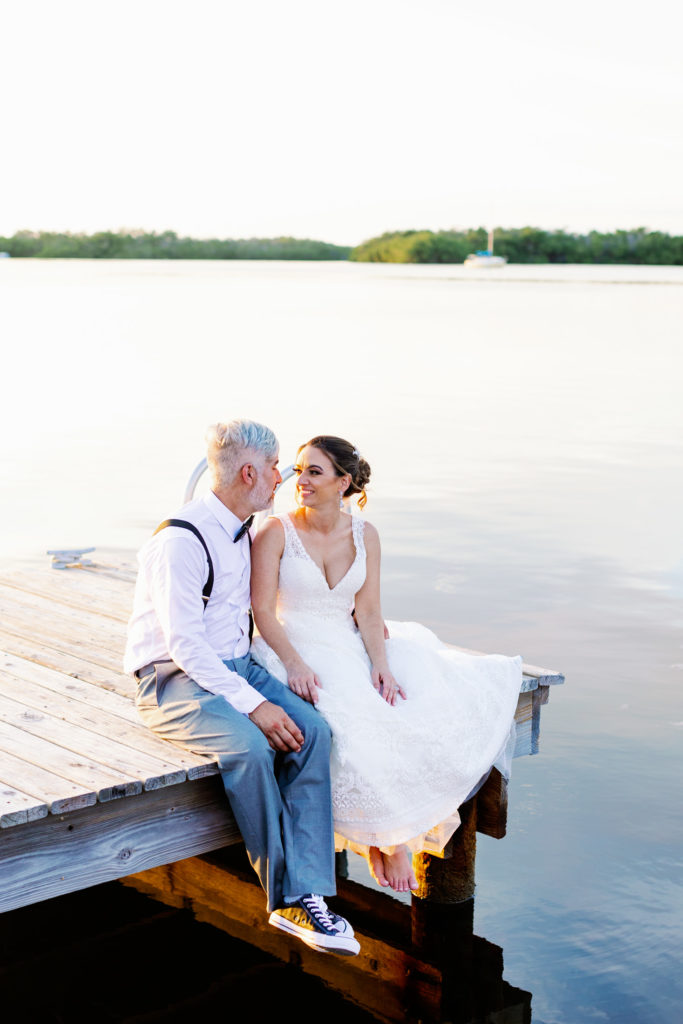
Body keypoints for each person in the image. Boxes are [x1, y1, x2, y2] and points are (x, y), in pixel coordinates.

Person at [124, 420, 360, 956]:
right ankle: (286, 900)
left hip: (234, 667)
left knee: (314, 732)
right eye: (277, 466)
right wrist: (255, 707)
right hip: (172, 679)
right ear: (250, 472)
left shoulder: (246, 527)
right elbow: (185, 647)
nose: (284, 477)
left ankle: (310, 892)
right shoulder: (179, 542)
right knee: (253, 748)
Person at [250, 435, 523, 892]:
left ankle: (390, 833)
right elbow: (262, 610)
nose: (301, 481)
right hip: (290, 645)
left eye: (314, 472)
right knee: (349, 722)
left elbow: (370, 611)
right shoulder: (275, 531)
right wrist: (294, 664)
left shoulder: (365, 534)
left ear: (344, 482)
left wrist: (381, 663)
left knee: (404, 704)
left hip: (345, 639)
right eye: (298, 471)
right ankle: (389, 841)